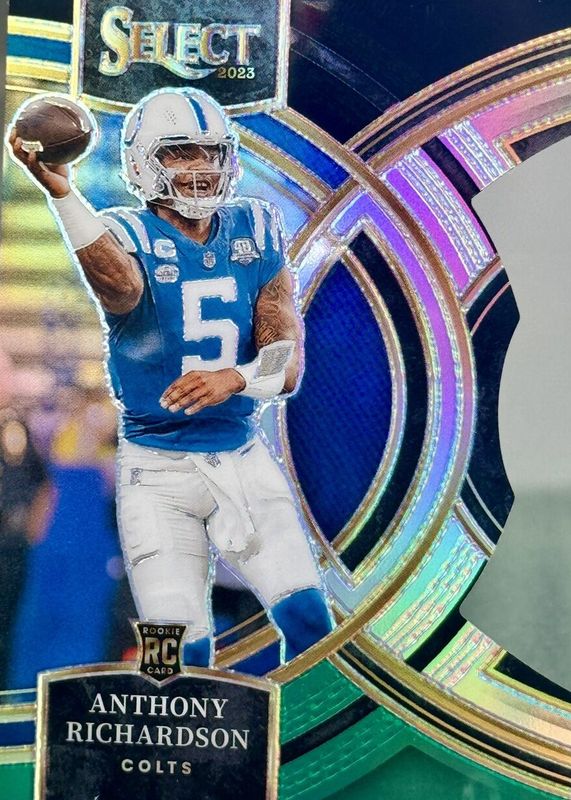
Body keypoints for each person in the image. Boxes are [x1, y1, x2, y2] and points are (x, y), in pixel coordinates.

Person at [8, 87, 332, 671]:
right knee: (172, 653)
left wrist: (234, 378)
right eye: (181, 152)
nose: (201, 168)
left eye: (211, 152)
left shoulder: (256, 226)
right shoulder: (123, 232)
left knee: (310, 619)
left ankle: (325, 729)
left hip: (239, 456)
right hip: (155, 469)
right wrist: (63, 194)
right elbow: (121, 289)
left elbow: (285, 366)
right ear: (142, 163)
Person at [0, 348, 53, 689]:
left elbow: (42, 483)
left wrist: (32, 530)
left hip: (8, 548)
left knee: (4, 627)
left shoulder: (14, 426)